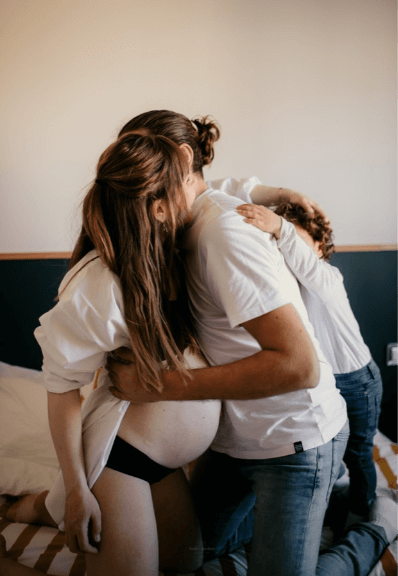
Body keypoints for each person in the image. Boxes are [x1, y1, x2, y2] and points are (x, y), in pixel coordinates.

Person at [1, 119, 322, 576]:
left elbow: (213, 187)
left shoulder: (166, 243)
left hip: (162, 466)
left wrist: (273, 193)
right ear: (156, 206)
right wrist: (76, 490)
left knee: (184, 567)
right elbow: (61, 388)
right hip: (121, 460)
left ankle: (33, 506)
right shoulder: (97, 285)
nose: (196, 193)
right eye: (183, 185)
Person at [107, 110, 397, 576]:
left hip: (295, 442)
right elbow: (227, 184)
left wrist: (159, 387)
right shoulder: (192, 220)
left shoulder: (224, 233)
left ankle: (377, 526)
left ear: (181, 160)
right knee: (188, 558)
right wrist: (278, 191)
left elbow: (300, 366)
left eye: (146, 175)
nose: (138, 197)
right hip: (233, 444)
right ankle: (317, 516)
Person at [235, 201, 384, 529]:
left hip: (358, 380)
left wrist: (280, 227)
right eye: (281, 245)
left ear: (319, 246)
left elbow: (304, 263)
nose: (289, 252)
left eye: (297, 243)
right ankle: (336, 498)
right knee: (333, 446)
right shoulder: (284, 287)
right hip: (325, 381)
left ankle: (363, 518)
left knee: (359, 453)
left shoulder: (329, 276)